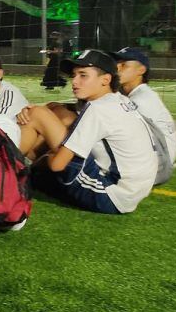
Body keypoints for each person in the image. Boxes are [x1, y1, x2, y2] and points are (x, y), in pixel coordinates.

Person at [17, 50, 157, 214]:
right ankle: (20, 168)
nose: (74, 82)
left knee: (37, 115)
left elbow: (57, 165)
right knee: (56, 114)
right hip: (129, 194)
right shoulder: (119, 100)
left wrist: (47, 156)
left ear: (105, 79)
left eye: (83, 75)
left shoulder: (97, 109)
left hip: (109, 194)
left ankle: (4, 170)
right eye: (74, 75)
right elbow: (64, 111)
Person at [114, 47, 176, 169]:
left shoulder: (142, 100)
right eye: (116, 64)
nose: (117, 69)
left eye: (123, 65)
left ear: (141, 70)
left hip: (157, 165)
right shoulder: (131, 94)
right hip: (154, 158)